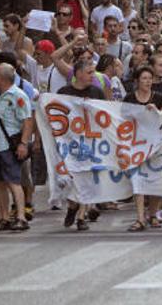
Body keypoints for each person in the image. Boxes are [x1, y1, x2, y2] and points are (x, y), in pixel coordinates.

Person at [57, 59, 107, 230]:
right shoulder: (64, 92)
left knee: (86, 178)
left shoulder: (97, 92)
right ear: (78, 74)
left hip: (90, 143)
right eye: (89, 72)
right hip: (70, 144)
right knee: (73, 179)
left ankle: (81, 217)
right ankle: (72, 206)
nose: (93, 76)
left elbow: (105, 114)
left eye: (93, 72)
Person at [122, 66, 162, 231]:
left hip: (156, 146)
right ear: (137, 81)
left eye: (150, 78)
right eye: (144, 78)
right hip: (135, 146)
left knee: (154, 179)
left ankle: (153, 214)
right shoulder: (129, 98)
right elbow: (122, 119)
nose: (148, 81)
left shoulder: (159, 97)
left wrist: (156, 111)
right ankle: (140, 218)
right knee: (137, 181)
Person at [0, 63, 31, 231]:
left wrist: (23, 143)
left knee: (13, 180)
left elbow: (27, 120)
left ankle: (20, 216)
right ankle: (4, 217)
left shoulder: (18, 96)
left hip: (8, 144)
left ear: (1, 78)